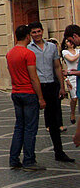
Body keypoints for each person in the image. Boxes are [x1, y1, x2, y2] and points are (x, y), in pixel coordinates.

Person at [27, 22, 74, 163]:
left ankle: (59, 152)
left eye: (38, 31)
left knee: (54, 120)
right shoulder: (28, 49)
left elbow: (57, 66)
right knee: (31, 121)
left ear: (42, 31)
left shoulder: (52, 47)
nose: (36, 34)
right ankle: (30, 156)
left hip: (51, 85)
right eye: (33, 32)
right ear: (30, 34)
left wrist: (61, 86)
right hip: (37, 86)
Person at [6, 24, 46, 171]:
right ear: (28, 36)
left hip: (16, 92)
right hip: (28, 93)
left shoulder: (10, 53)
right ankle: (29, 160)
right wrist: (41, 97)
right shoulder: (28, 54)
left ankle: (14, 158)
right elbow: (34, 77)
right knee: (30, 129)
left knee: (19, 127)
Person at [61, 37, 79, 126]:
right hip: (71, 76)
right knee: (74, 97)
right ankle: (72, 112)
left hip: (78, 75)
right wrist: (66, 79)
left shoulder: (78, 50)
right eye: (68, 41)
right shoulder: (65, 52)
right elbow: (72, 59)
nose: (70, 43)